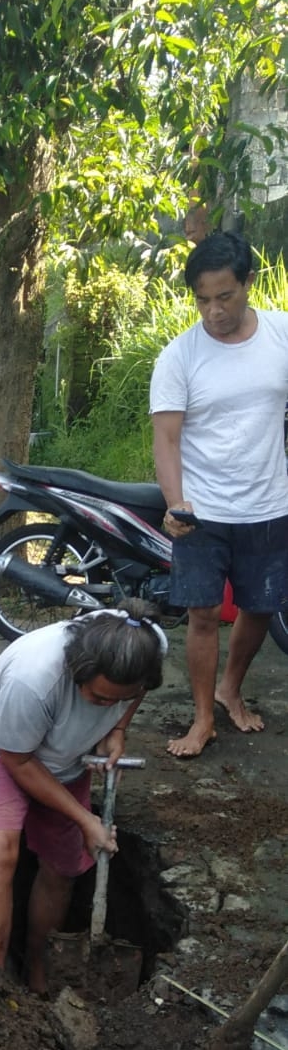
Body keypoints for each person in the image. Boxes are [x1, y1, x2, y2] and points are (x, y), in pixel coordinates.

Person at [0, 603, 167, 995]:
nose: (107, 706)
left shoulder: (146, 644)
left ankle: (38, 963)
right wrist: (85, 819)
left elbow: (137, 691)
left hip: (68, 757)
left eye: (117, 700)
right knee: (0, 851)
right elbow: (17, 762)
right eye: (98, 698)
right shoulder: (34, 680)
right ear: (78, 670)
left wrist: (118, 729)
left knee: (62, 864)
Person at [150, 230, 288, 758]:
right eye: (202, 299)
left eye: (224, 296)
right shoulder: (179, 357)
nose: (213, 311)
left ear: (248, 283)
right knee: (204, 615)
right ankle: (203, 717)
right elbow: (166, 437)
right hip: (202, 511)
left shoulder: (278, 337)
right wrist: (175, 501)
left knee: (261, 606)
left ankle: (233, 686)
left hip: (269, 505)